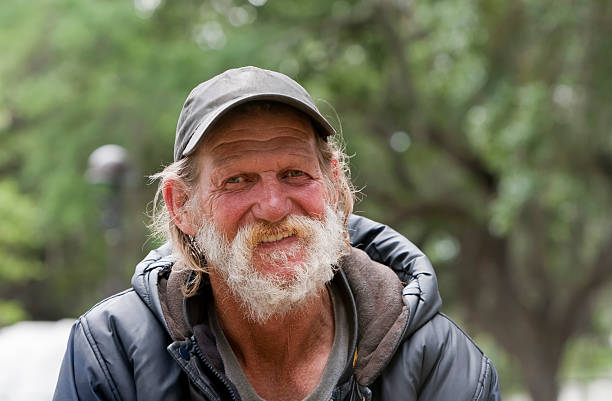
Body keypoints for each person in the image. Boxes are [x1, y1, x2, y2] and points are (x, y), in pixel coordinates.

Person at [54, 66, 500, 401]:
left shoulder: (436, 358)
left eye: (294, 173)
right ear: (181, 206)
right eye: (237, 181)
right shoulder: (114, 354)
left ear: (334, 186)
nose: (272, 207)